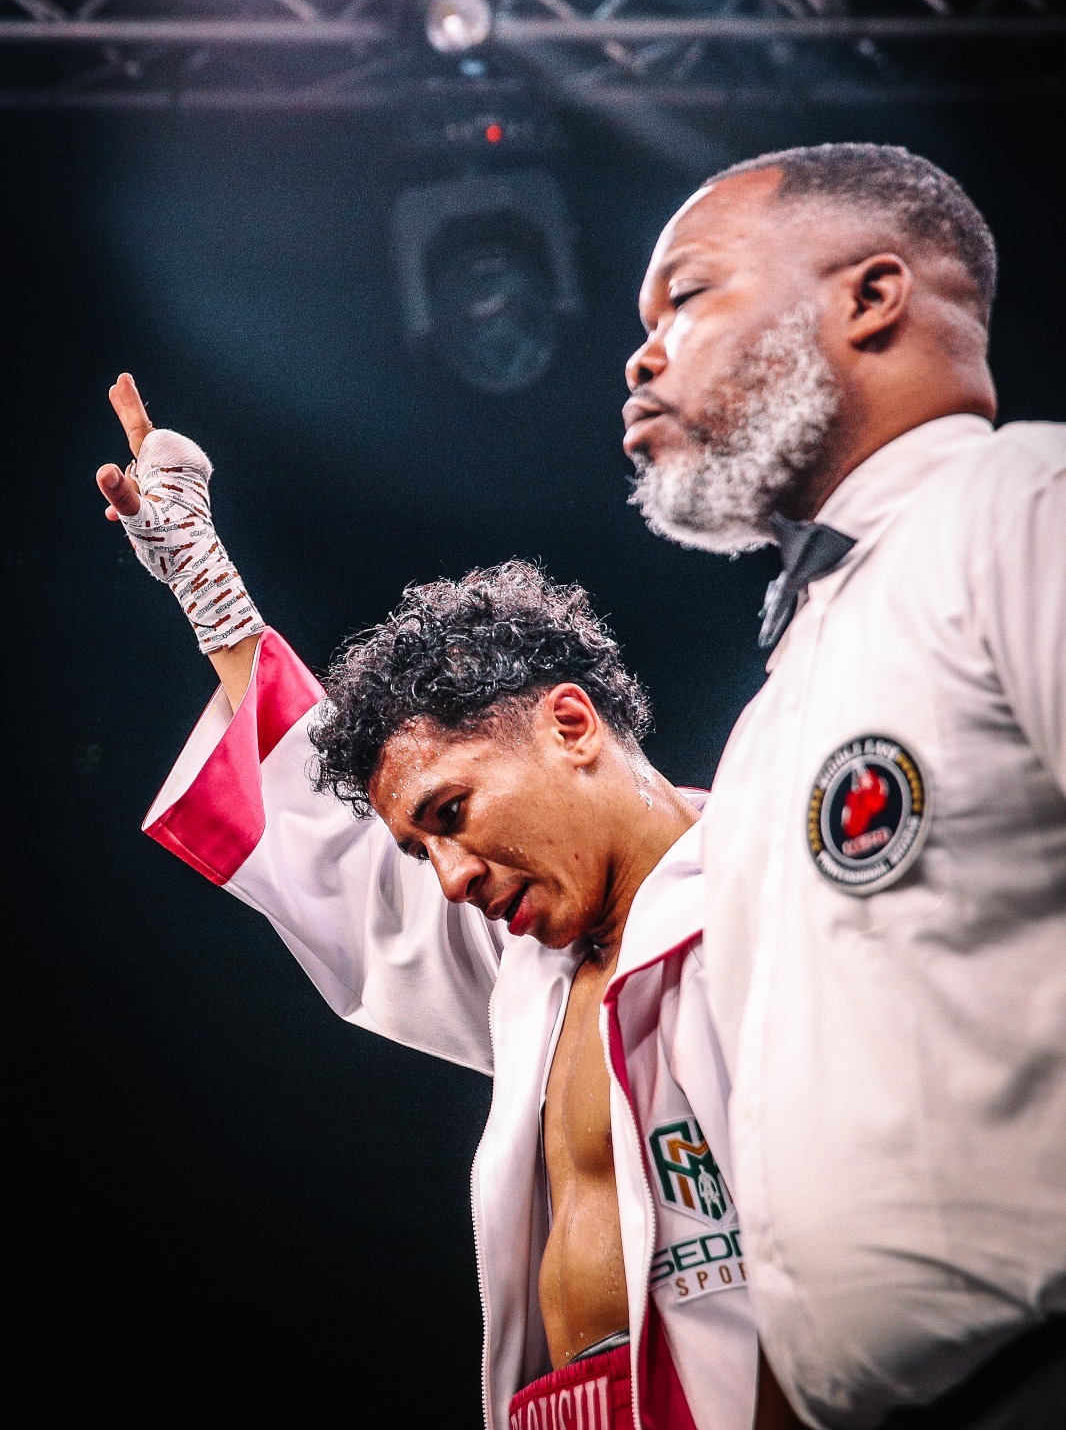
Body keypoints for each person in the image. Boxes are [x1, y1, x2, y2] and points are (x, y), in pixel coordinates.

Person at [95, 377, 799, 1430]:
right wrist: (205, 581)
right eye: (421, 849)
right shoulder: (529, 965)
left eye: (452, 813)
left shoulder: (781, 883)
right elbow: (331, 834)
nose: (452, 877)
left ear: (571, 725)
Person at [623, 142, 1066, 1428]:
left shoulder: (1020, 504)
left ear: (870, 298)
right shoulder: (770, 718)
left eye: (685, 297)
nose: (643, 358)